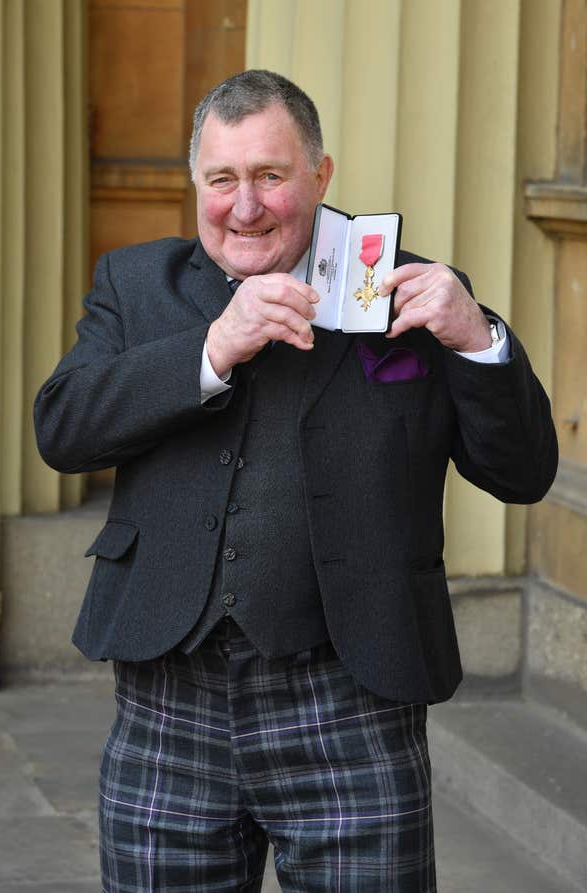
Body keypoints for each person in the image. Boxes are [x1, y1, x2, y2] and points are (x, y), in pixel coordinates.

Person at [34, 69, 557, 892]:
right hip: (171, 696)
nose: (245, 206)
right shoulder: (135, 286)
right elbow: (60, 429)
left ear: (321, 176)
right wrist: (211, 349)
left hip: (351, 691)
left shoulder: (413, 296)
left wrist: (478, 339)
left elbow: (524, 472)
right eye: (222, 180)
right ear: (196, 184)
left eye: (271, 177)